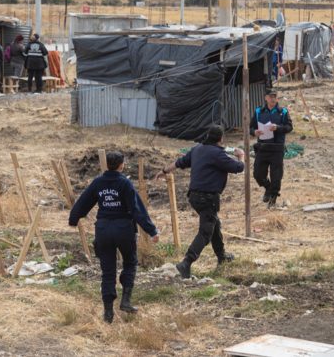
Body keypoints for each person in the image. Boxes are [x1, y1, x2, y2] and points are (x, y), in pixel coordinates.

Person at [69, 151, 160, 324]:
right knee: (130, 263)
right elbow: (136, 209)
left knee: (108, 271)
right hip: (123, 228)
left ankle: (108, 313)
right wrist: (152, 230)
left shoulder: (98, 183)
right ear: (121, 165)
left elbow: (83, 202)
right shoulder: (124, 183)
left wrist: (74, 219)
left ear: (106, 165)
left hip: (103, 230)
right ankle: (125, 301)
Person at [157, 125, 245, 279]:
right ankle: (186, 262)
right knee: (205, 232)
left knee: (214, 224)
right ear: (220, 139)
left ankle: (222, 256)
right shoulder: (218, 154)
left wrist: (164, 171)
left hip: (194, 197)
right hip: (208, 198)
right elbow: (238, 167)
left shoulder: (197, 149)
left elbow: (179, 163)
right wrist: (241, 155)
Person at [250, 89, 293, 208]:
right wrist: (254, 132)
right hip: (262, 147)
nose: (273, 99)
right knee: (258, 174)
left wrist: (278, 128)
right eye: (270, 96)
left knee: (276, 176)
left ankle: (273, 198)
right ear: (266, 98)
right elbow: (251, 127)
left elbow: (289, 127)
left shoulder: (283, 112)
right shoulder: (258, 111)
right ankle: (268, 188)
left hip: (277, 148)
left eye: (275, 96)